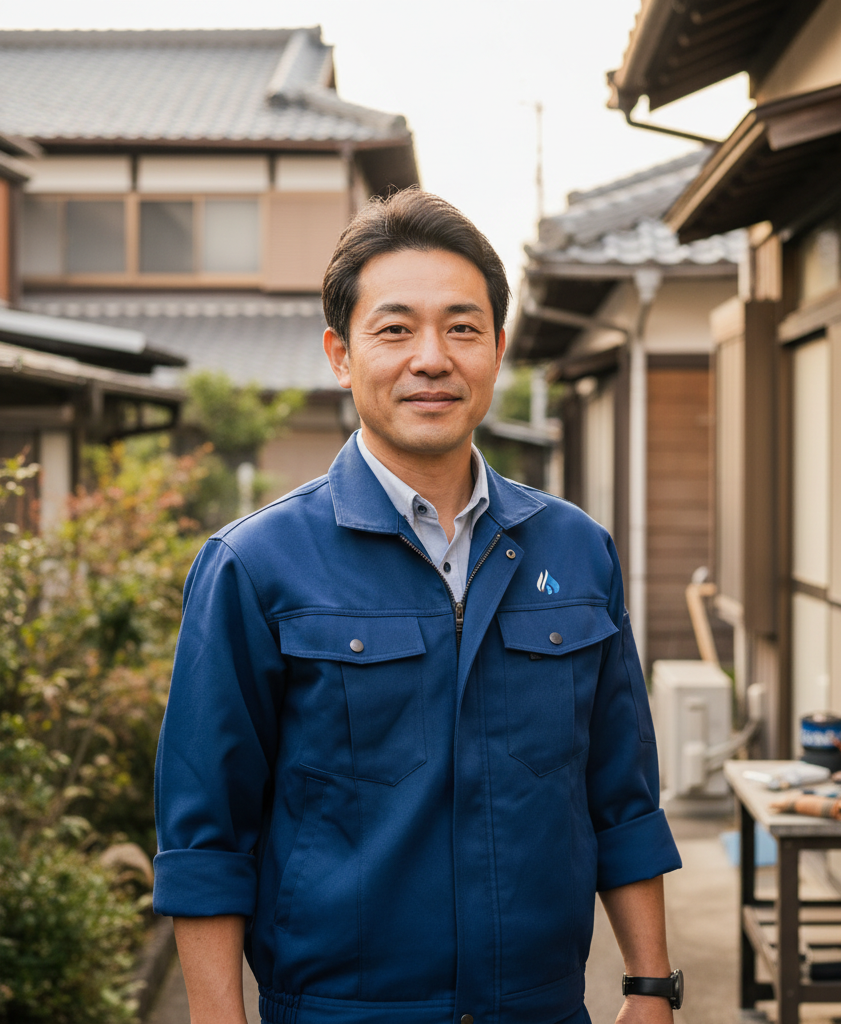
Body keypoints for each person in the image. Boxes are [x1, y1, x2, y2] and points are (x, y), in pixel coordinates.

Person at [153, 189, 683, 1024]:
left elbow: (620, 792)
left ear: (498, 350)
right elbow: (207, 836)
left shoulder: (578, 552)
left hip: (539, 1009)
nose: (432, 358)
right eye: (395, 329)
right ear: (340, 352)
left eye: (462, 328)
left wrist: (651, 987)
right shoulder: (253, 566)